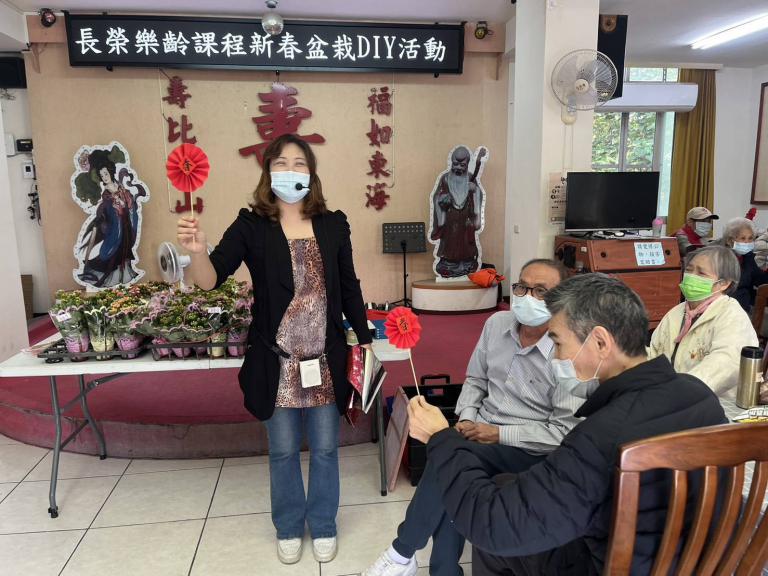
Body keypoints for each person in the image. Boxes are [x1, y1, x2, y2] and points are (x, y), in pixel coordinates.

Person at [406, 273, 726, 575]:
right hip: (693, 561)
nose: (556, 359)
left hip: (612, 565)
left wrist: (440, 437)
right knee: (505, 483)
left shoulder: (602, 433)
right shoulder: (698, 395)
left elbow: (494, 526)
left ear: (600, 342)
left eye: (558, 343)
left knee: (498, 540)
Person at [177, 133, 372, 565]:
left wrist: (364, 336)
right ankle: (288, 526)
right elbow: (211, 279)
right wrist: (197, 253)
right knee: (283, 450)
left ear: (312, 172)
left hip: (324, 360)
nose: (290, 171)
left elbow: (349, 285)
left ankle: (323, 524)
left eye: (299, 163)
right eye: (281, 163)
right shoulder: (251, 225)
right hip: (277, 361)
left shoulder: (333, 224)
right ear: (268, 171)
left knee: (325, 449)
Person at [364, 259, 583, 576]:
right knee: (454, 463)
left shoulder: (567, 349)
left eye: (540, 291)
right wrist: (466, 418)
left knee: (453, 459)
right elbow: (475, 380)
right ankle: (440, 569)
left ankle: (403, 552)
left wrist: (497, 434)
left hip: (527, 447)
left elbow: (562, 432)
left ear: (562, 299)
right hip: (479, 431)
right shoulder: (497, 325)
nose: (527, 297)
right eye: (522, 288)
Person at [649, 245, 758, 399]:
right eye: (689, 270)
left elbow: (726, 363)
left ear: (724, 283)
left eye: (701, 273)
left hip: (713, 401)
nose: (691, 276)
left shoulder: (731, 315)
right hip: (669, 396)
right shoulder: (677, 312)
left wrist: (678, 390)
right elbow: (654, 353)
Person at [430, 146, 487, 278]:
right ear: (451, 162)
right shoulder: (445, 178)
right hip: (450, 217)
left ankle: (466, 262)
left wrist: (474, 190)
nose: (458, 167)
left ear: (467, 164)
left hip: (466, 218)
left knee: (466, 242)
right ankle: (449, 263)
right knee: (450, 241)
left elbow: (478, 195)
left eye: (462, 165)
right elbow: (437, 197)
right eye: (455, 164)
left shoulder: (470, 177)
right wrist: (442, 199)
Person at [718, 217, 768, 312]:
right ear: (729, 241)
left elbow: (759, 279)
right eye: (743, 238)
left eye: (750, 238)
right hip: (725, 306)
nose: (747, 242)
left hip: (743, 305)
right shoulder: (721, 257)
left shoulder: (748, 257)